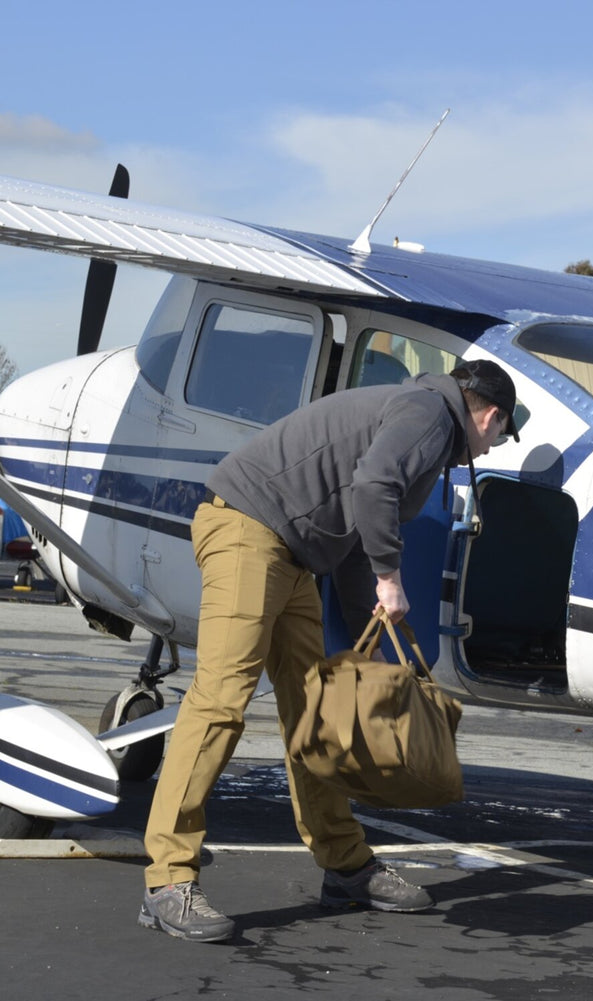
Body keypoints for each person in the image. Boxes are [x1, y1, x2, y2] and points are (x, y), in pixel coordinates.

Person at [138, 359, 520, 942]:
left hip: (291, 554)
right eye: (498, 436)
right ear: (489, 416)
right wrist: (391, 578)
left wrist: (367, 629)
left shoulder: (417, 412)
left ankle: (345, 866)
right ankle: (167, 880)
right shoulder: (430, 414)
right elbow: (374, 488)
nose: (489, 449)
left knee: (314, 713)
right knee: (220, 700)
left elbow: (353, 534)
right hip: (248, 529)